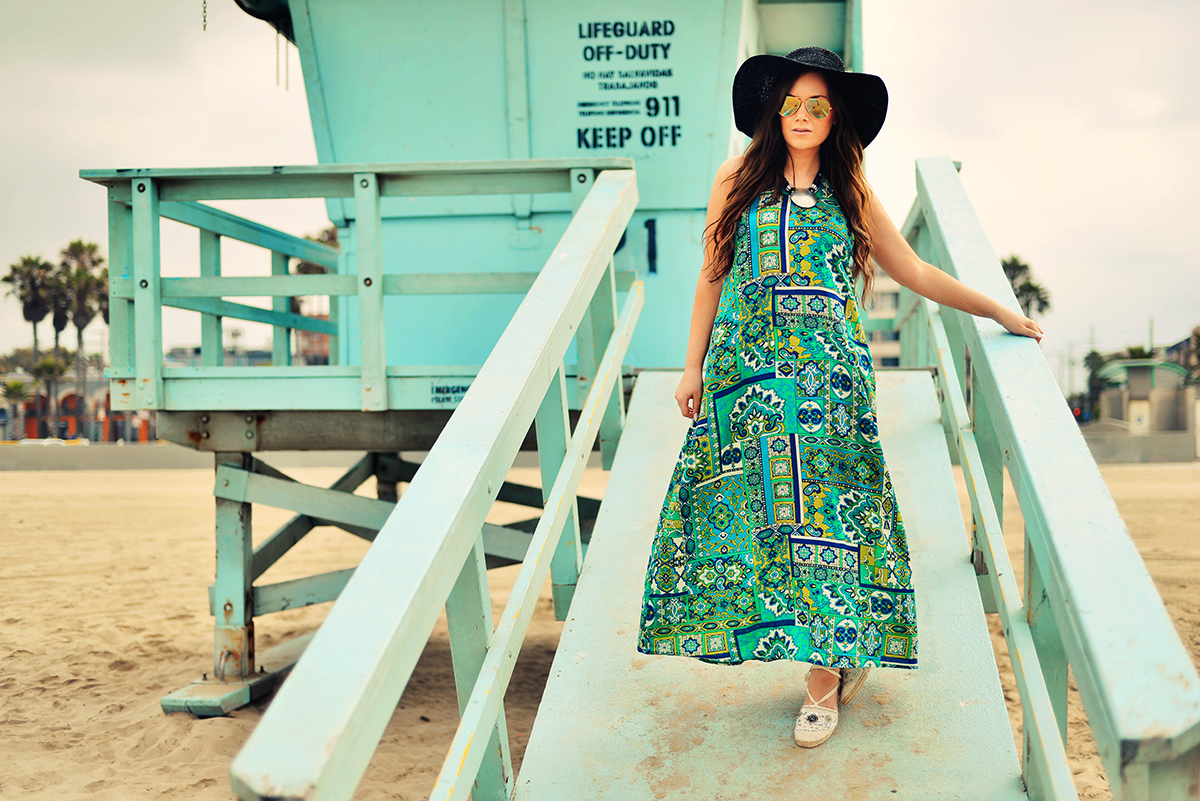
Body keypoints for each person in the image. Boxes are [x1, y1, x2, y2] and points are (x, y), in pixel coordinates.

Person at [634, 46, 1043, 749]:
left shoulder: (848, 187)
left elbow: (910, 268)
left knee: (830, 524)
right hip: (748, 379)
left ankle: (822, 679)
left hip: (830, 382)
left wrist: (997, 310)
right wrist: (691, 365)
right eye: (789, 103)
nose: (801, 116)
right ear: (772, 110)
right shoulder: (735, 179)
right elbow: (711, 273)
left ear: (835, 116)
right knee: (766, 521)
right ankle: (823, 647)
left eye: (816, 105)